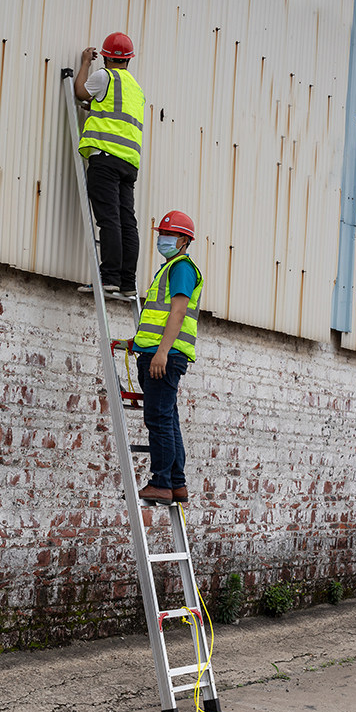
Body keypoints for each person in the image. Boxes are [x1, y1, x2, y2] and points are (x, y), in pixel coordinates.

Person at [133, 211, 204, 505]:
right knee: (168, 420)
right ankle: (176, 484)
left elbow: (178, 312)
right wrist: (138, 342)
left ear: (184, 240)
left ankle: (161, 483)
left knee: (159, 420)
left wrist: (161, 352)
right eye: (161, 234)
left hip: (165, 356)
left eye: (169, 235)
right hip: (158, 352)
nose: (163, 239)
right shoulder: (170, 268)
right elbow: (160, 317)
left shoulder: (182, 268)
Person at [74, 32, 145, 298]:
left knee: (109, 219)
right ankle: (127, 282)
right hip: (129, 162)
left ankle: (109, 277)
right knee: (127, 222)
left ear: (105, 57)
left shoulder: (105, 77)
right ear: (129, 60)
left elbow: (80, 91)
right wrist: (95, 107)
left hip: (105, 157)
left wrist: (84, 63)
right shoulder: (136, 89)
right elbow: (115, 111)